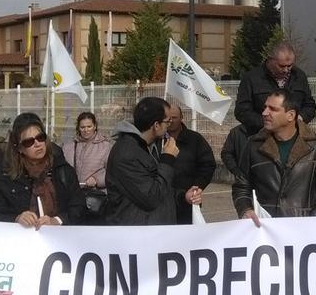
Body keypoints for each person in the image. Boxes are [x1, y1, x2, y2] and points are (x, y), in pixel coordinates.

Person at [233, 89, 316, 225]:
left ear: (290, 115)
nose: (265, 113)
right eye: (265, 107)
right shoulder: (253, 145)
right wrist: (245, 209)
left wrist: (314, 218)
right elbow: (241, 186)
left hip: (303, 231)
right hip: (263, 231)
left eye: (272, 109)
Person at [0, 115, 83, 228]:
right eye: (29, 142)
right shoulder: (7, 175)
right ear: (20, 148)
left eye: (40, 137)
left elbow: (79, 208)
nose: (37, 144)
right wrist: (17, 218)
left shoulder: (63, 170)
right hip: (22, 239)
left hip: (59, 240)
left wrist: (57, 220)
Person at [104, 96, 178, 225]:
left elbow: (161, 185)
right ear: (156, 125)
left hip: (154, 228)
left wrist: (183, 196)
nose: (169, 126)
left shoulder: (149, 145)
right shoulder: (127, 154)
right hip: (137, 233)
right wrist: (167, 159)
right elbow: (151, 198)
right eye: (167, 121)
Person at [234, 41, 316, 134]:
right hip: (260, 137)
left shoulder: (299, 76)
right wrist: (269, 123)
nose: (286, 70)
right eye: (281, 66)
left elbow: (310, 106)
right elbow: (242, 111)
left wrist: (300, 118)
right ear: (270, 60)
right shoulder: (252, 78)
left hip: (294, 136)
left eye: (290, 66)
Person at [164, 102, 216, 224]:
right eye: (168, 118)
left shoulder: (195, 139)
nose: (171, 121)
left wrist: (197, 188)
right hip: (162, 202)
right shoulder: (157, 140)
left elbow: (208, 165)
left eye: (174, 118)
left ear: (182, 118)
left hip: (187, 201)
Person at [60, 112, 112, 189]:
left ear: (95, 126)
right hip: (72, 193)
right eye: (82, 127)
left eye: (89, 126)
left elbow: (112, 172)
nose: (86, 130)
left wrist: (97, 179)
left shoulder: (106, 147)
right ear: (78, 128)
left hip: (95, 194)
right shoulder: (68, 147)